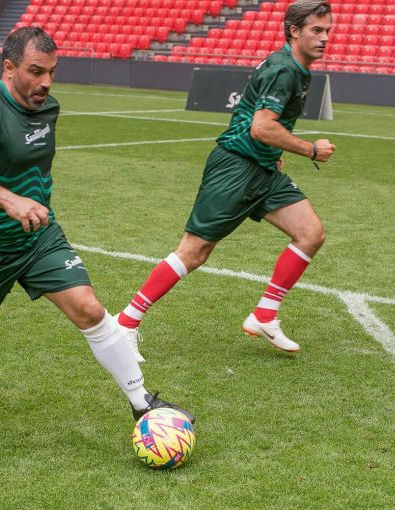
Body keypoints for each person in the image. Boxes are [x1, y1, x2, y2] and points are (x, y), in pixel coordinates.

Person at [0, 27, 194, 423]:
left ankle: (143, 402)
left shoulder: (48, 107)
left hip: (38, 237)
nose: (46, 83)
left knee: (88, 308)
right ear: (8, 67)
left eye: (52, 72)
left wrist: (30, 206)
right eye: (36, 71)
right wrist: (9, 200)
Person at [116, 0, 336, 360]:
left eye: (327, 30)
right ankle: (125, 322)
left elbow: (263, 123)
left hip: (263, 169)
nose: (325, 38)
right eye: (317, 30)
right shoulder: (285, 71)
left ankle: (265, 314)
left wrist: (276, 150)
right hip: (235, 167)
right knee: (194, 252)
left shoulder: (295, 67)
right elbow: (262, 127)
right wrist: (309, 150)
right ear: (294, 31)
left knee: (311, 233)